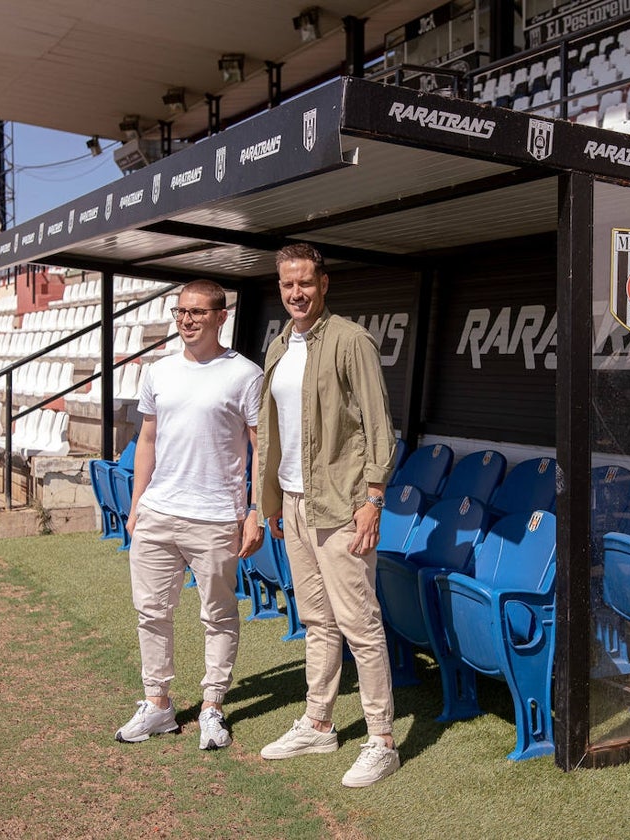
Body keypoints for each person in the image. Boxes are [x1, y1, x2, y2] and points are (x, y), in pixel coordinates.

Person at [256, 243, 400, 788]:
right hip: (294, 504)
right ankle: (318, 723)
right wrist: (270, 501)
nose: (296, 293)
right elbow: (270, 433)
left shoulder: (350, 340)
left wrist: (373, 499)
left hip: (342, 505)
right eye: (288, 284)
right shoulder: (278, 347)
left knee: (360, 624)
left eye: (306, 283)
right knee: (318, 621)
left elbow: (378, 423)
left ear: (324, 284)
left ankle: (381, 738)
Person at [113, 279, 263, 751]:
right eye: (180, 312)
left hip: (217, 516)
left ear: (221, 317)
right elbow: (148, 442)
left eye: (197, 312)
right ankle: (157, 704)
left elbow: (262, 449)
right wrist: (136, 507)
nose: (187, 320)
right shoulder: (159, 372)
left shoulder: (245, 374)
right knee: (151, 612)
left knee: (217, 615)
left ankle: (212, 707)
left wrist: (255, 510)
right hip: (158, 512)